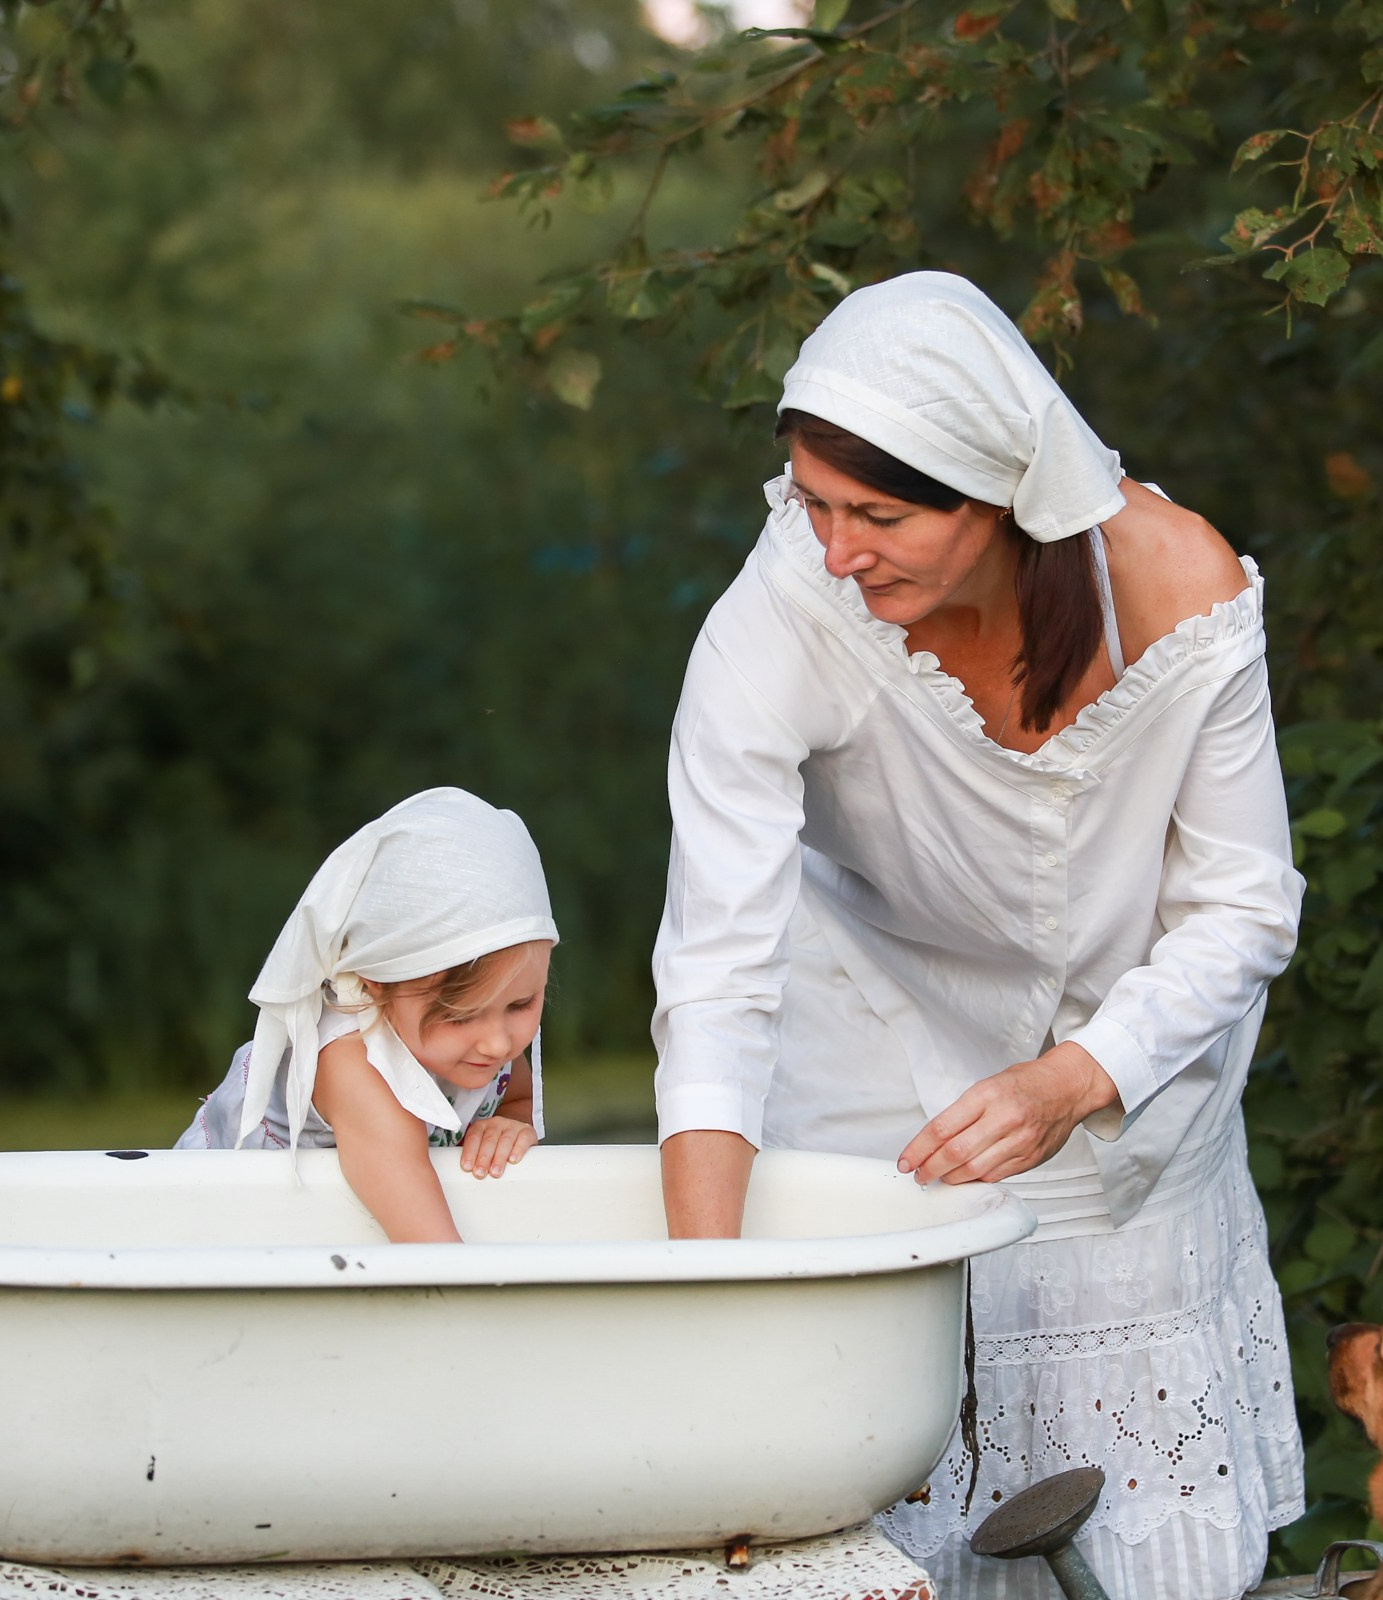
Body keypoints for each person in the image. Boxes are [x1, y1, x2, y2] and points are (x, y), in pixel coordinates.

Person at [651, 272, 1305, 1600]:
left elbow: (1243, 904)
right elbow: (716, 965)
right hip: (869, 1062)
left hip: (1127, 1083)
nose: (837, 551)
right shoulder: (784, 612)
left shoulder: (1177, 584)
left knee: (1125, 1538)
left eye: (879, 515)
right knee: (879, 1515)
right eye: (813, 504)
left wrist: (1079, 1078)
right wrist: (705, 1292)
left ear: (1003, 493)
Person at [177, 787, 557, 1244]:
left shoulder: (476, 1049)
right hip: (212, 1234)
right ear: (375, 983)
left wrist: (512, 1125)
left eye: (521, 1004)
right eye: (459, 1016)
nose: (498, 1045)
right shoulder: (355, 1065)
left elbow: (516, 1098)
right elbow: (432, 1248)